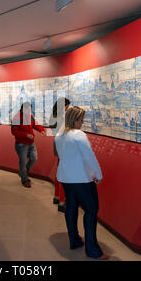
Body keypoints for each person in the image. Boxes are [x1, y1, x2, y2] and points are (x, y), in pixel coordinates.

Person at [54, 106, 109, 260]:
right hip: (81, 179)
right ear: (75, 119)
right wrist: (98, 175)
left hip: (65, 177)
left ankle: (75, 240)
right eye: (81, 120)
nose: (82, 123)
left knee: (71, 207)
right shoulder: (79, 135)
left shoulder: (59, 135)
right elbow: (89, 157)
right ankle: (93, 251)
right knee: (91, 210)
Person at [11, 102, 45, 188]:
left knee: (34, 159)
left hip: (31, 143)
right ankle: (24, 179)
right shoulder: (16, 118)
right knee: (22, 163)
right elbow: (14, 132)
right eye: (28, 110)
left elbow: (35, 124)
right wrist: (26, 135)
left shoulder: (30, 116)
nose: (29, 111)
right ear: (23, 109)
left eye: (30, 110)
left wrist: (41, 130)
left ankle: (23, 172)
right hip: (21, 144)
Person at [49, 97, 71, 213]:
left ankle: (57, 196)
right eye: (67, 106)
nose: (68, 109)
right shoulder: (63, 118)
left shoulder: (54, 116)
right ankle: (62, 201)